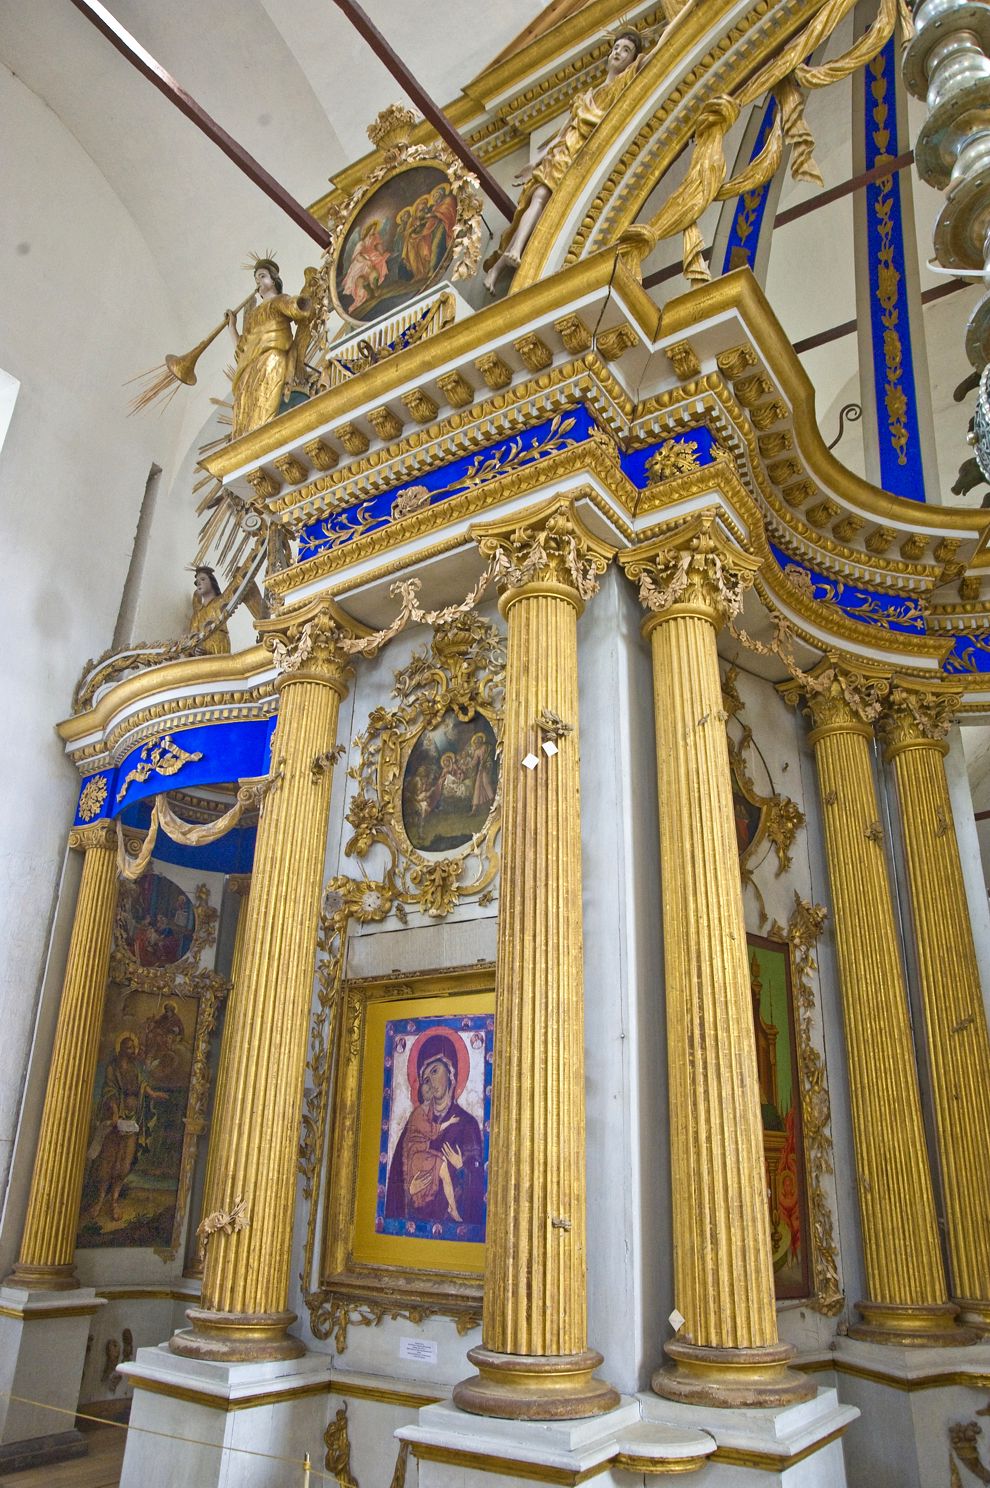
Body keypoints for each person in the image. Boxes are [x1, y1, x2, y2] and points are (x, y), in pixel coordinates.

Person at [484, 28, 651, 293]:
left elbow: (658, 54)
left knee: (547, 208)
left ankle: (504, 263)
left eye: (626, 50)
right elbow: (562, 132)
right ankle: (511, 254)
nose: (618, 52)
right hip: (563, 152)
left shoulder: (622, 85)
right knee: (539, 197)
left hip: (580, 160)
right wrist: (536, 161)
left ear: (633, 60)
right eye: (616, 47)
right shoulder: (584, 96)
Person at [384, 1033, 484, 1228]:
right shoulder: (415, 1123)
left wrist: (462, 1168)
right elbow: (398, 1177)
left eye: (435, 1071)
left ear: (451, 1072)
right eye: (425, 1077)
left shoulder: (467, 1125)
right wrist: (409, 1190)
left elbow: (478, 1193)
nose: (430, 1081)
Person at [84, 1033, 167, 1223]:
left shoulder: (135, 1069)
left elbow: (142, 1085)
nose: (132, 1051)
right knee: (107, 1163)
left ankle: (114, 1201)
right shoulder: (113, 1069)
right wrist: (114, 1113)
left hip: (132, 1120)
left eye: (133, 1048)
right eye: (129, 1048)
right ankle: (99, 1200)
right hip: (115, 1122)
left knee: (123, 1164)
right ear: (120, 1049)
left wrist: (152, 1094)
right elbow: (110, 1091)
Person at [225, 258, 312, 438]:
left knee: (266, 405)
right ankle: (245, 440)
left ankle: (263, 439)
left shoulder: (280, 300)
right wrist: (231, 326)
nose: (258, 282)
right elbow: (242, 348)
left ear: (274, 280)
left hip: (272, 357)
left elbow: (295, 308)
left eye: (262, 276)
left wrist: (305, 298)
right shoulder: (252, 315)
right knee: (245, 407)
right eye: (256, 279)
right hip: (250, 366)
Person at [340, 220, 391, 312]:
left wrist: (381, 252)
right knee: (362, 280)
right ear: (368, 231)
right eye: (372, 230)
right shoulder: (361, 244)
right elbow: (357, 256)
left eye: (375, 230)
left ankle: (375, 290)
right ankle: (363, 297)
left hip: (372, 258)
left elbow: (379, 247)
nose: (374, 232)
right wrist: (366, 260)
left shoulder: (374, 238)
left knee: (375, 272)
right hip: (361, 263)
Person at [189, 566, 231, 656]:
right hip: (203, 654)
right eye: (197, 582)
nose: (199, 583)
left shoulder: (221, 601)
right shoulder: (197, 614)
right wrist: (194, 650)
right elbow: (192, 638)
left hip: (220, 647)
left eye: (203, 579)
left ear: (212, 582)